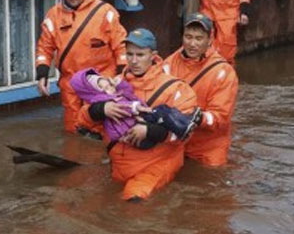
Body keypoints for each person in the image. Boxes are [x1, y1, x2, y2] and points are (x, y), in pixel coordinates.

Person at [78, 29, 198, 201]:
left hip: (155, 165)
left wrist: (149, 131)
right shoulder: (114, 83)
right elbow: (82, 122)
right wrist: (101, 109)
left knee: (134, 202)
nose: (134, 61)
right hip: (119, 165)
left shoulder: (176, 89)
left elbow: (185, 134)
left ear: (153, 56)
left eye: (140, 55)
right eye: (130, 54)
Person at [35, 0, 127, 134]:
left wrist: (122, 72)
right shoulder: (53, 15)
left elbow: (120, 44)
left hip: (101, 81)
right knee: (72, 129)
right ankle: (74, 156)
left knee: (101, 128)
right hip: (70, 82)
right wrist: (42, 74)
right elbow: (44, 47)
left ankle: (99, 158)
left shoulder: (105, 12)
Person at [163, 13, 239, 167]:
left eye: (199, 38)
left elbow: (221, 117)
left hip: (208, 147)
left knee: (210, 182)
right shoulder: (169, 64)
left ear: (210, 40)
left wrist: (198, 118)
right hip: (175, 140)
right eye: (188, 37)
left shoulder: (223, 72)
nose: (192, 43)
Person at [70, 67, 201, 148]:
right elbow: (123, 107)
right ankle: (184, 126)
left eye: (105, 82)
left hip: (137, 131)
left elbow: (128, 91)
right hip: (133, 134)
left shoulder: (115, 90)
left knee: (163, 111)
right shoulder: (102, 100)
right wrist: (136, 107)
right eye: (102, 87)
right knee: (161, 113)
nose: (107, 87)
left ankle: (185, 124)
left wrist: (118, 84)